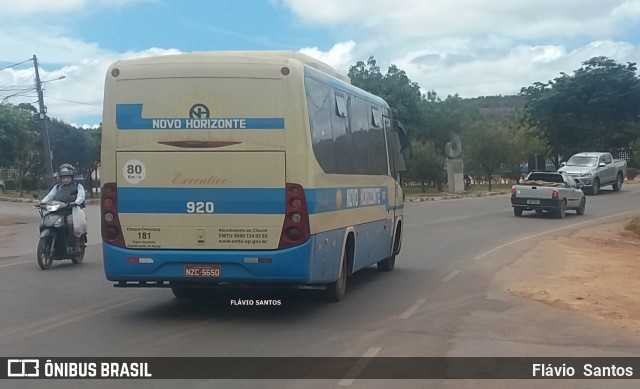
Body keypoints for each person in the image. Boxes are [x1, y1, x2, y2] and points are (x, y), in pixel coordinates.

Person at [40, 164, 86, 252]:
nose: (65, 179)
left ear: (71, 177)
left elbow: (81, 196)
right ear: (61, 178)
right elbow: (50, 196)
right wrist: (42, 202)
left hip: (71, 211)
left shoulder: (78, 186)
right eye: (63, 177)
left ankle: (75, 245)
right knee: (46, 222)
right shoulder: (58, 187)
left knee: (70, 223)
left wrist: (75, 203)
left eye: (68, 177)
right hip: (58, 210)